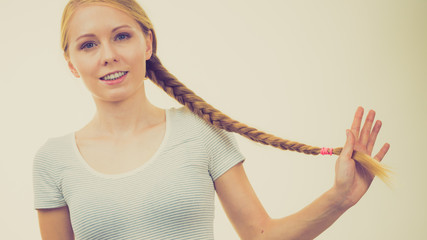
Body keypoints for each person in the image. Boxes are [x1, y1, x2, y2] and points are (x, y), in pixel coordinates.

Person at [33, 0, 390, 239]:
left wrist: (340, 197)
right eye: (88, 44)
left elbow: (259, 235)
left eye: (121, 36)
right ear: (71, 64)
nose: (108, 55)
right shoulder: (53, 161)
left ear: (147, 44)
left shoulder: (199, 131)